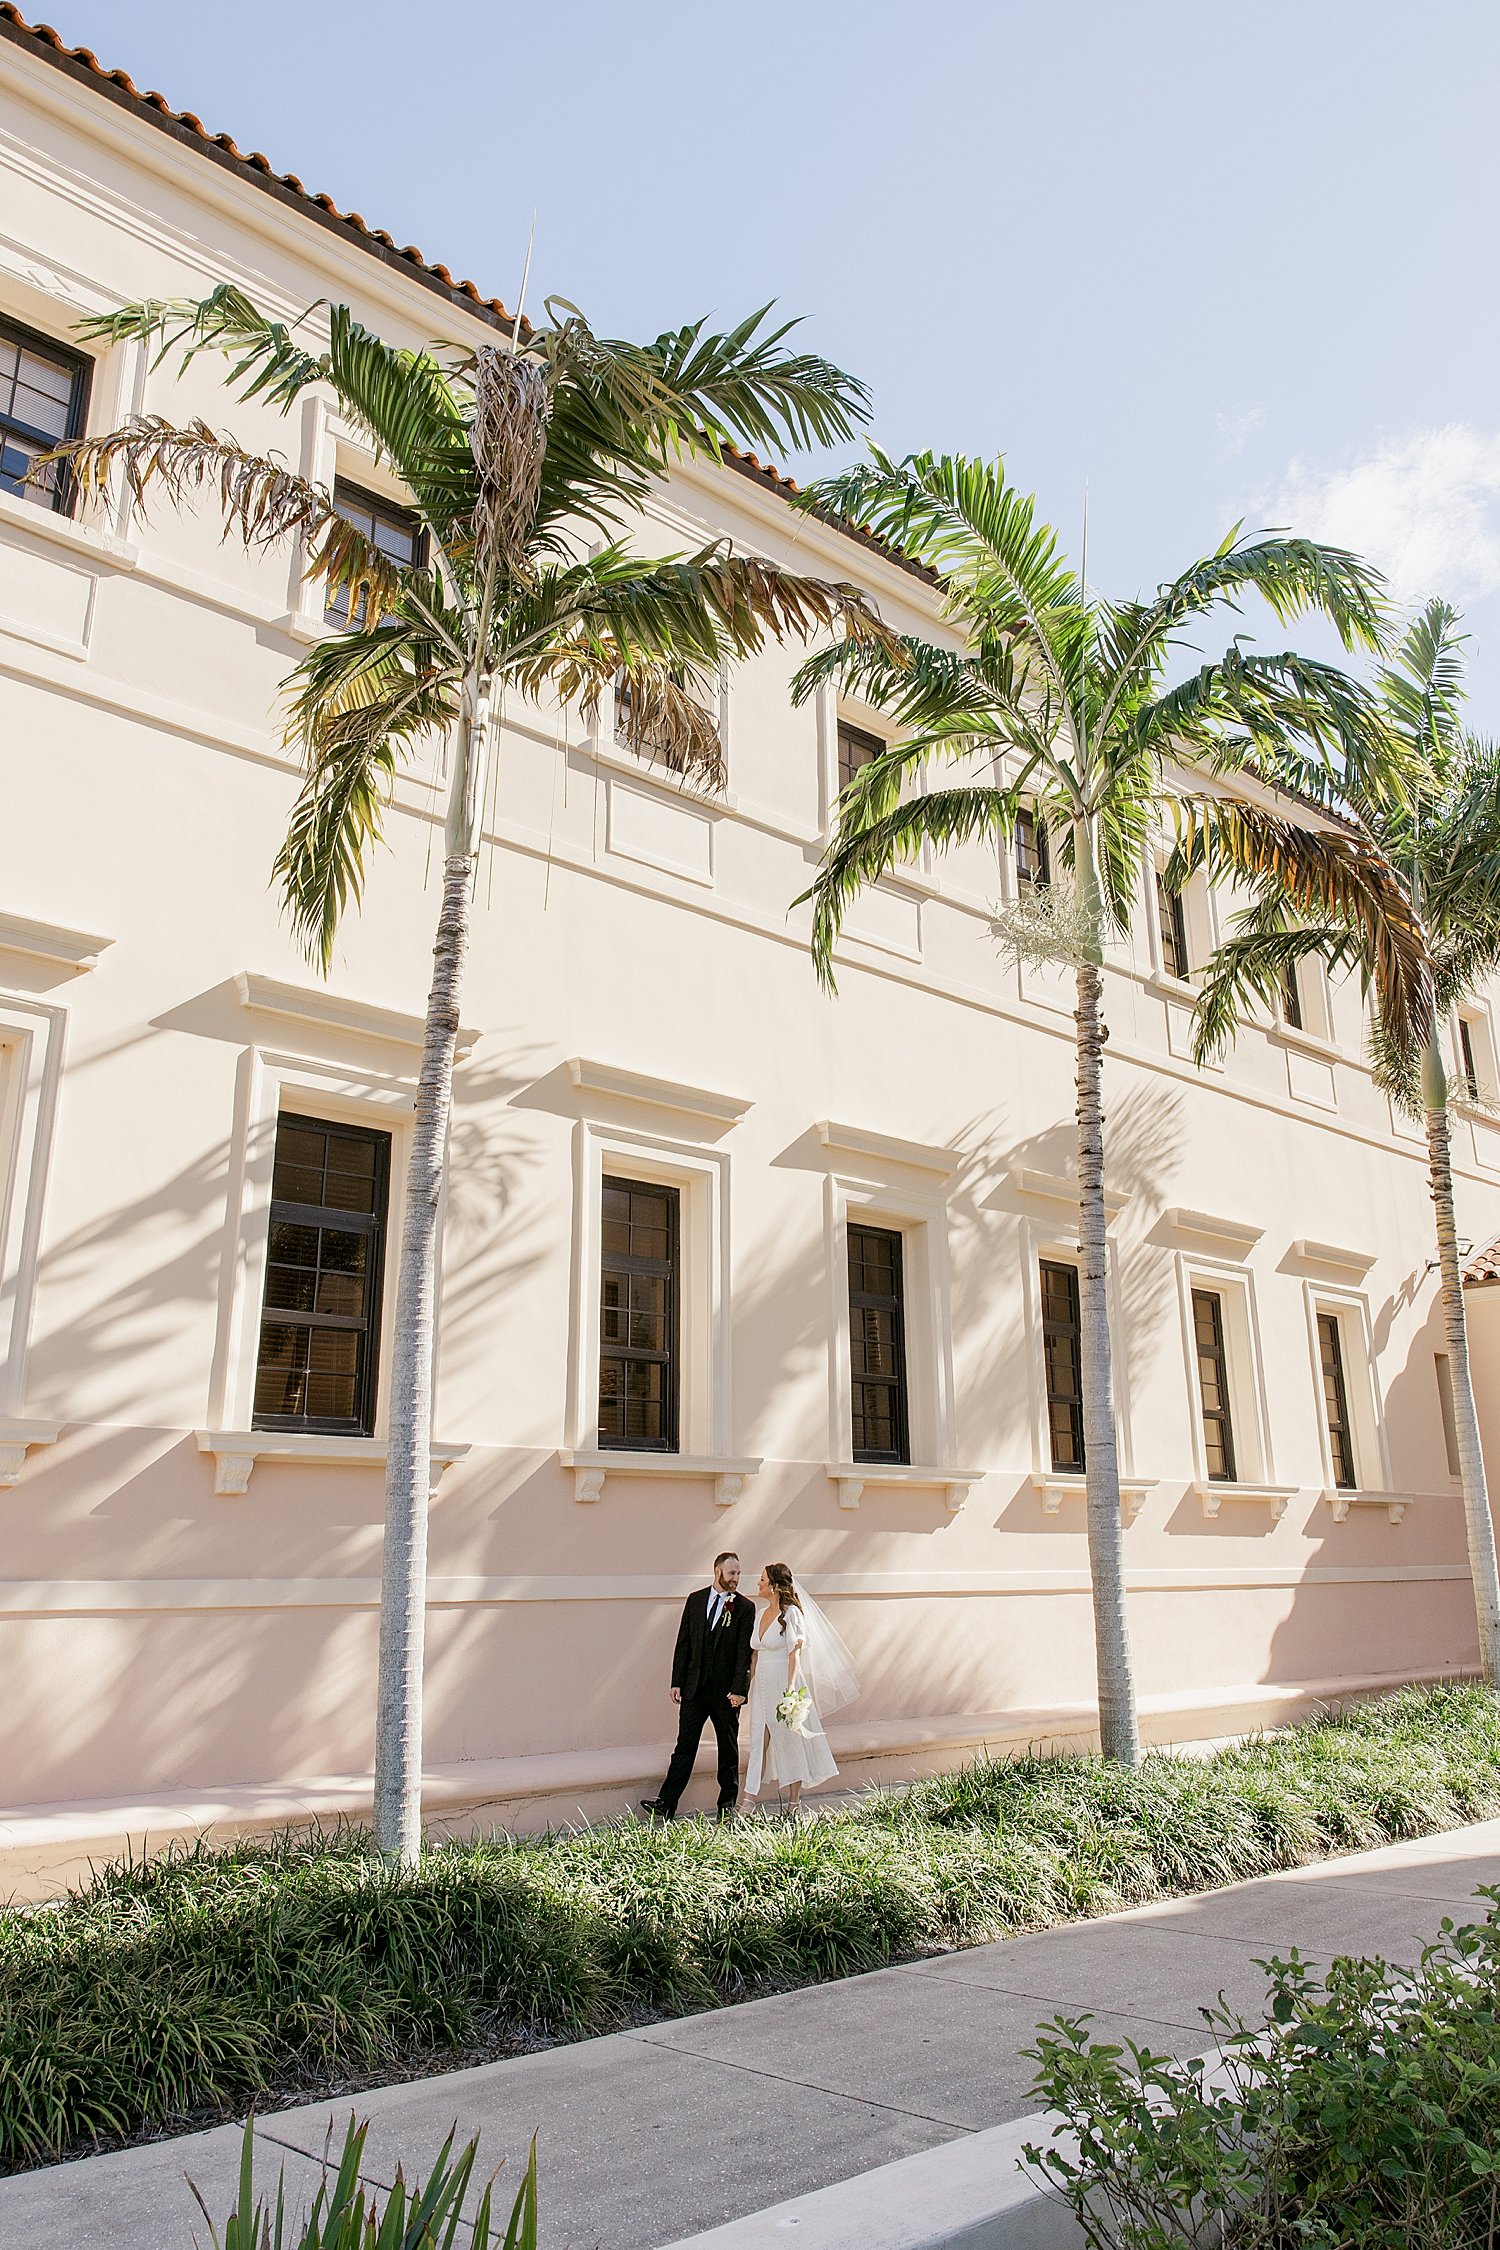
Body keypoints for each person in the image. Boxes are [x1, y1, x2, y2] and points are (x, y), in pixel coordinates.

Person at [640, 1551, 755, 1821]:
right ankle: (666, 1803)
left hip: (726, 1694)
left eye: (738, 1573)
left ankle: (726, 1807)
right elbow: (684, 1644)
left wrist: (740, 1690)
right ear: (717, 1572)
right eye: (731, 1573)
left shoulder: (745, 1608)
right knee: (684, 1747)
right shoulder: (695, 1600)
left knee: (727, 1749)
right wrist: (677, 1682)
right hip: (693, 1690)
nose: (736, 1578)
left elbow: (743, 1653)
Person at [743, 1562, 859, 1810]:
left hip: (783, 1683)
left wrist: (791, 1690)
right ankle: (748, 1801)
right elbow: (754, 1655)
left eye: (762, 1580)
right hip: (761, 1688)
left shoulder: (792, 1614)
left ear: (774, 1586)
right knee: (757, 1743)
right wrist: (744, 1688)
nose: (758, 1584)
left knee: (788, 1742)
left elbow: (794, 1653)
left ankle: (793, 1801)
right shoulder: (759, 1614)